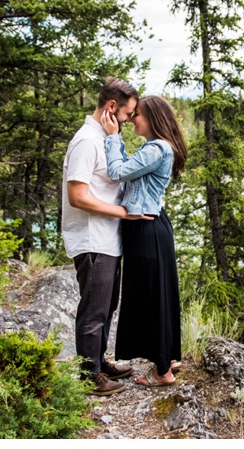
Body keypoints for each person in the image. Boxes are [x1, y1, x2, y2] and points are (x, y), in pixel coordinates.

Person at [61, 77, 151, 396]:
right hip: (92, 238)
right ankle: (89, 376)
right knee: (94, 309)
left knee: (107, 305)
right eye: (127, 114)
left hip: (107, 238)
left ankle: (98, 362)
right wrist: (124, 214)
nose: (128, 120)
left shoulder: (103, 138)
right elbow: (78, 196)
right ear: (111, 108)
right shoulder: (87, 140)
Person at [100, 95, 188, 387]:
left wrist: (113, 138)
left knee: (151, 296)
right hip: (150, 226)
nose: (131, 119)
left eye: (137, 114)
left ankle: (163, 373)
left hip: (146, 227)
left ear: (152, 118)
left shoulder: (157, 149)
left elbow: (116, 173)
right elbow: (129, 171)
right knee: (159, 293)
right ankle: (169, 356)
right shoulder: (154, 148)